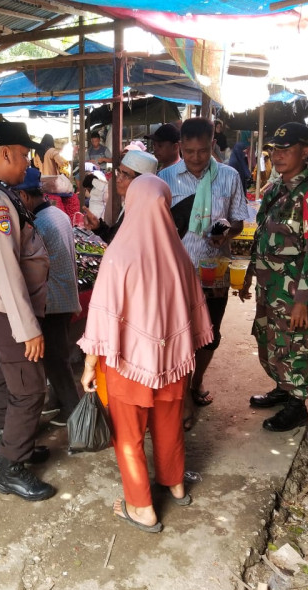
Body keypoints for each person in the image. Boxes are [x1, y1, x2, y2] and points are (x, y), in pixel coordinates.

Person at [79, 174, 213, 533]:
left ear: (131, 204)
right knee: (169, 426)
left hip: (127, 363)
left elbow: (103, 316)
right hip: (172, 362)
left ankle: (141, 508)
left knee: (129, 436)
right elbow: (194, 312)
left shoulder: (118, 254)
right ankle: (176, 484)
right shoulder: (180, 255)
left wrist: (90, 365)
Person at [0, 122, 54, 501]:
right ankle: (11, 469)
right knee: (30, 387)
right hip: (5, 309)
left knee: (9, 375)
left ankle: (11, 444)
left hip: (1, 308)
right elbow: (6, 269)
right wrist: (27, 329)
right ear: (5, 153)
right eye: (23, 155)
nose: (26, 163)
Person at [239, 122, 308, 432]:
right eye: (275, 149)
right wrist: (250, 274)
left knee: (291, 346)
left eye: (286, 149)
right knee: (267, 340)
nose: (278, 155)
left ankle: (297, 404)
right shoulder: (277, 189)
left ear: (305, 151)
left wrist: (303, 301)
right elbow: (262, 236)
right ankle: (283, 386)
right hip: (269, 287)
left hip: (293, 292)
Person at [158, 117, 248, 420]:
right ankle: (179, 395)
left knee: (210, 334)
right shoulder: (166, 177)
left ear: (212, 144)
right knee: (178, 334)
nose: (196, 158)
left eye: (202, 151)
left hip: (214, 270)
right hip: (175, 273)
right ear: (180, 147)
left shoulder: (229, 176)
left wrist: (226, 232)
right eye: (189, 151)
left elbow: (238, 221)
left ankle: (196, 382)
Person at [13, 168, 82, 426]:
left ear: (24, 195)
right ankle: (57, 401)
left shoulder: (38, 224)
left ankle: (73, 412)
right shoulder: (57, 213)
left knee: (55, 359)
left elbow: (33, 266)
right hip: (63, 294)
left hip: (52, 299)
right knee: (56, 354)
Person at [80, 150, 157, 243]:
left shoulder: (145, 213)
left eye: (125, 175)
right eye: (119, 172)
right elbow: (115, 239)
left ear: (141, 181)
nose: (118, 180)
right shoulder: (129, 204)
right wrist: (98, 227)